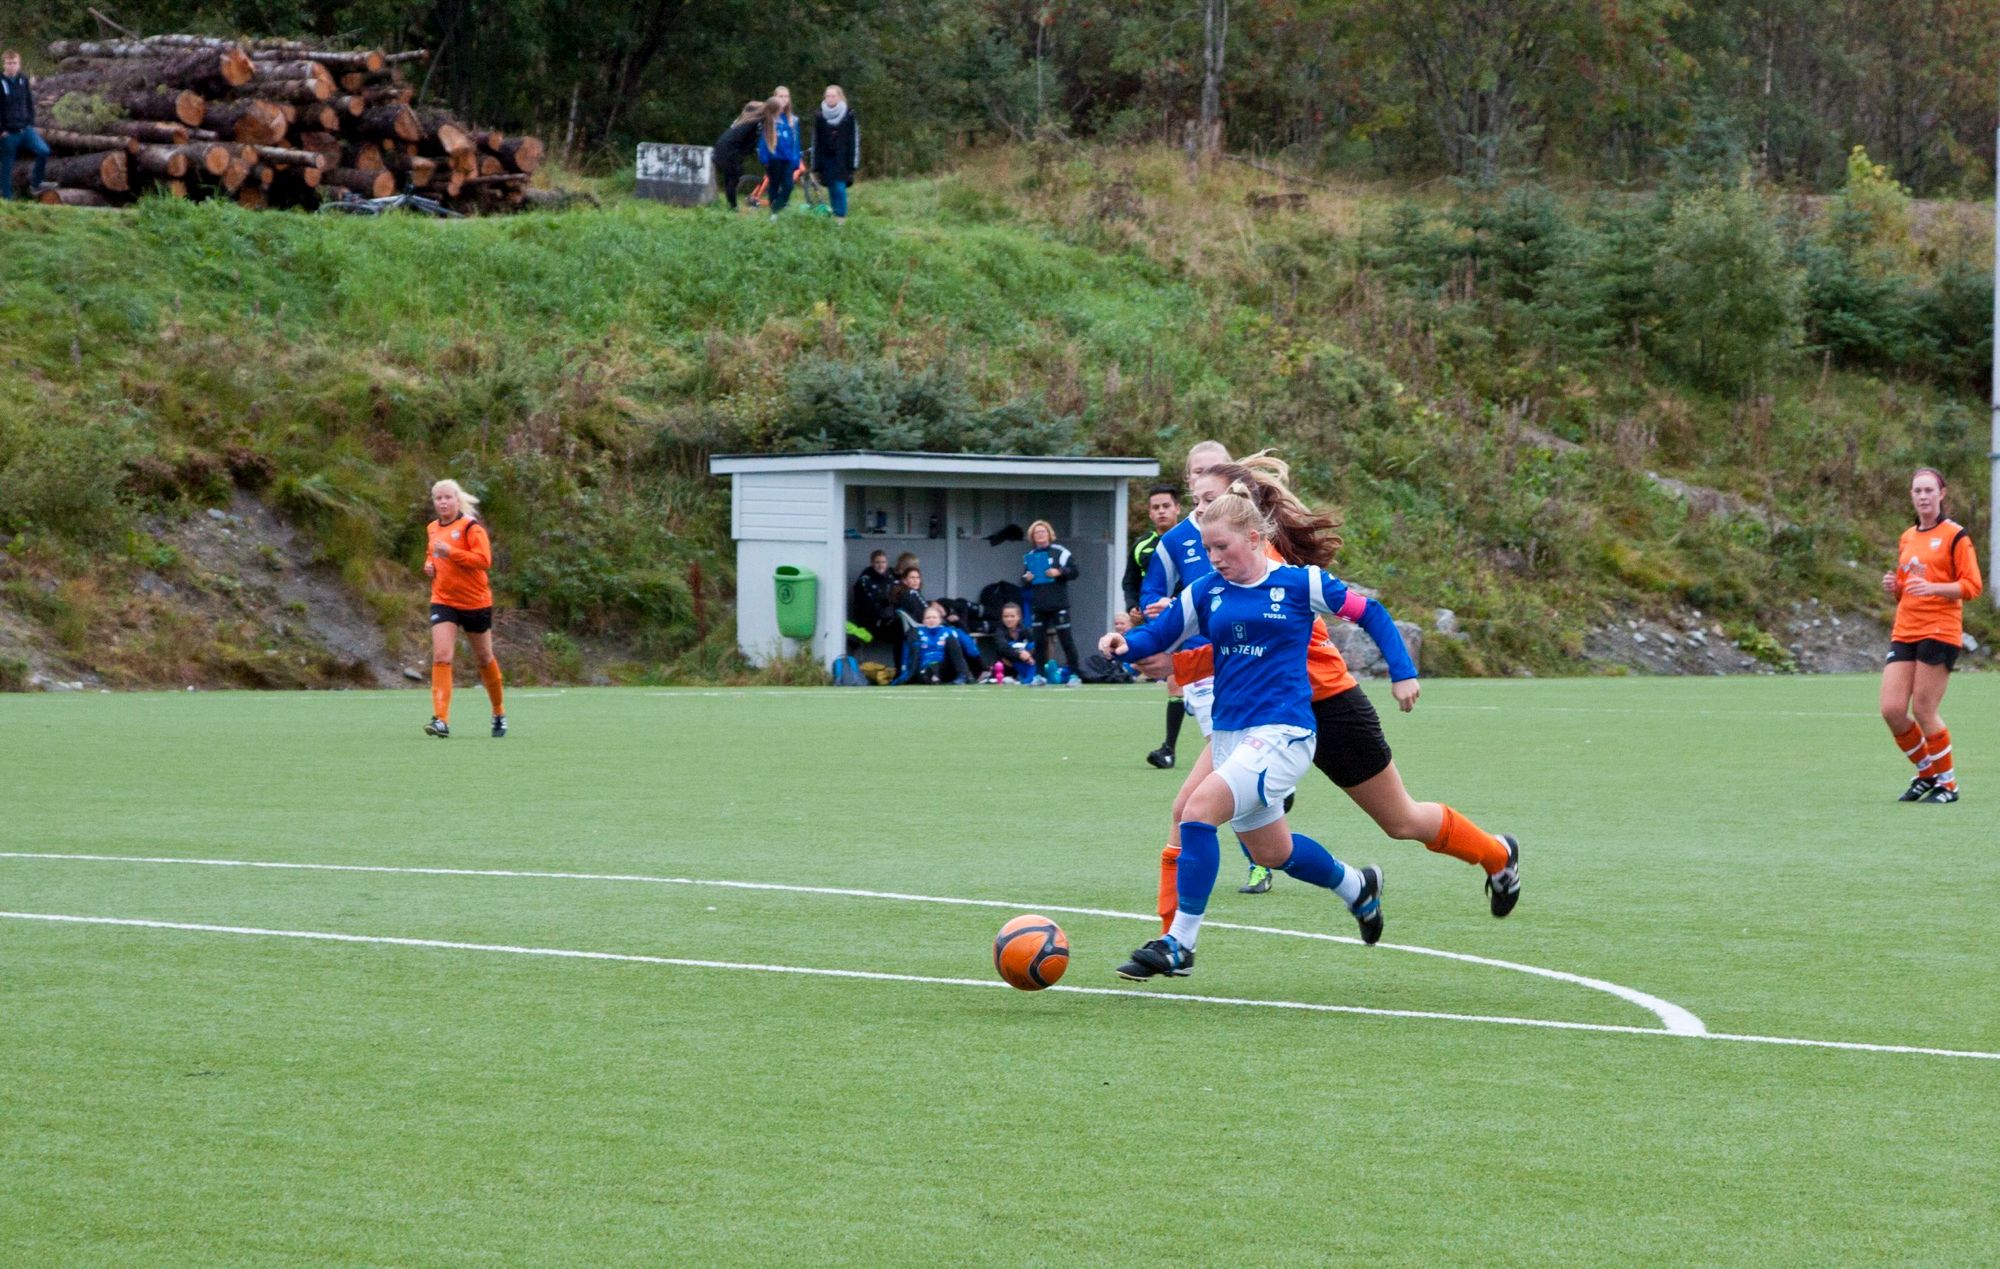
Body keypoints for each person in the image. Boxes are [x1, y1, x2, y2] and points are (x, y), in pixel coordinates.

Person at [1159, 455, 1521, 910]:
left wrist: (1402, 671)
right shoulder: (1221, 571)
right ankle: (1173, 938)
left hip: (1327, 704)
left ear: (1241, 507)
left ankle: (1497, 855)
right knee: (1192, 812)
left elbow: (1269, 642)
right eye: (1195, 501)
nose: (1198, 511)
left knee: (1401, 821)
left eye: (1207, 499)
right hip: (1257, 715)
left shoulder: (1263, 570)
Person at [1102, 488, 1394, 980]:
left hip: (1285, 733)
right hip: (1232, 736)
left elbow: (1371, 613)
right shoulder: (1206, 591)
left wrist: (1403, 673)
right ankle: (1356, 886)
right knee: (1272, 852)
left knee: (1197, 810)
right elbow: (1159, 635)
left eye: (1222, 547)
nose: (1214, 557)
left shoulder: (1299, 583)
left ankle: (1180, 942)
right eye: (1208, 548)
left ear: (1255, 538)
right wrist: (1123, 644)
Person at [1880, 466, 1983, 803]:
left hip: (1939, 629)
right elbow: (1906, 590)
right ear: (1911, 496)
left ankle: (1948, 785)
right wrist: (1895, 587)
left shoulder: (1956, 536)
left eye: (1929, 490)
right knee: (1892, 709)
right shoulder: (1907, 537)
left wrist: (1934, 587)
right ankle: (1927, 773)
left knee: (1924, 709)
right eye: (1917, 491)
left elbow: (1972, 586)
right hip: (1905, 629)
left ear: (1942, 494)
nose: (1923, 496)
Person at [1140, 442, 1232, 769]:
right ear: (1189, 481)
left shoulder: (1256, 528)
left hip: (1251, 654)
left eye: (1216, 470)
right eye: (1199, 471)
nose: (1207, 477)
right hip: (1199, 655)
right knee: (1223, 751)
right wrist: (1159, 605)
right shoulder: (1175, 540)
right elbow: (1150, 593)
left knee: (1248, 755)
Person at [423, 479, 506, 739]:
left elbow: (483, 560)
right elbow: (432, 553)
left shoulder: (471, 527)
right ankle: (441, 720)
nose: (443, 502)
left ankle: (498, 712)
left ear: (457, 500)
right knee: (441, 655)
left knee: (484, 658)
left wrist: (451, 553)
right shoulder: (432, 528)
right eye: (438, 498)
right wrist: (429, 564)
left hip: (475, 602)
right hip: (443, 600)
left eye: (448, 497)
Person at [1021, 520, 1081, 672]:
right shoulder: (1031, 556)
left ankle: (1075, 674)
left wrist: (1059, 572)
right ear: (1032, 537)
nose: (1040, 535)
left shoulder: (1061, 552)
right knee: (1039, 642)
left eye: (1043, 531)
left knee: (1066, 640)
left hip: (1058, 604)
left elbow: (1074, 571)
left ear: (1049, 534)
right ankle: (1039, 675)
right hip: (1039, 606)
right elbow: (1024, 581)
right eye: (1036, 533)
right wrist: (1027, 579)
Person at [1, 50, 52, 200]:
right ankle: (7, 197)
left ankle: (36, 183)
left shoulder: (23, 79)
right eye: (9, 63)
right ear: (4, 64)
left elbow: (29, 102)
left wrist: (30, 122)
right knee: (7, 165)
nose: (12, 66)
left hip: (26, 129)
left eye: (14, 63)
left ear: (19, 64)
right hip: (8, 132)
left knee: (43, 151)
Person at [812, 85, 858, 222]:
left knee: (839, 187)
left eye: (833, 96)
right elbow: (816, 140)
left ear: (839, 97)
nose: (830, 98)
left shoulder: (849, 115)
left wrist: (853, 163)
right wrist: (816, 164)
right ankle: (835, 216)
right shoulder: (819, 115)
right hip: (826, 159)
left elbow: (854, 139)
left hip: (843, 159)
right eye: (828, 96)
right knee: (831, 187)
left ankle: (841, 217)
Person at [712, 100, 765, 211]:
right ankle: (733, 207)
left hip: (722, 147)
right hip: (729, 150)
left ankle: (731, 205)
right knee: (733, 178)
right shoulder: (755, 122)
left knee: (731, 178)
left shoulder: (741, 121)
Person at [755, 91, 801, 217]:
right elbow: (763, 142)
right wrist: (764, 159)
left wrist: (796, 159)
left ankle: (776, 208)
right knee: (774, 185)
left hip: (788, 159)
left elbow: (795, 141)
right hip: (773, 159)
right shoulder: (768, 120)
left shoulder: (792, 120)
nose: (783, 100)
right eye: (781, 97)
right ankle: (774, 215)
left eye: (786, 97)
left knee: (788, 185)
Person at [851, 549, 901, 662]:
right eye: (877, 562)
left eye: (883, 562)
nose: (880, 565)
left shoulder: (892, 577)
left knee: (905, 631)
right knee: (900, 632)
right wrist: (887, 601)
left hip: (890, 619)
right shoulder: (865, 580)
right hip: (870, 622)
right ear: (872, 563)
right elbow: (869, 606)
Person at [910, 602, 977, 683]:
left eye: (934, 617)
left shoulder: (949, 631)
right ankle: (934, 677)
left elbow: (969, 650)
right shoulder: (916, 632)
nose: (931, 620)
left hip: (946, 666)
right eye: (928, 618)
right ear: (923, 621)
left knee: (950, 640)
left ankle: (963, 675)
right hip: (925, 667)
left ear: (940, 620)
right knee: (929, 669)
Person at [987, 601, 1039, 683]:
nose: (1009, 619)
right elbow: (1002, 648)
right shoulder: (999, 631)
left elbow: (1034, 646)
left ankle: (1029, 677)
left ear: (1019, 617)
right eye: (1005, 616)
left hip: (1024, 664)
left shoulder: (1025, 631)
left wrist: (1029, 655)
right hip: (1005, 666)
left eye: (1012, 616)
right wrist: (1019, 654)